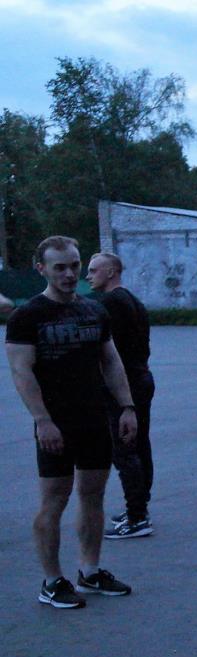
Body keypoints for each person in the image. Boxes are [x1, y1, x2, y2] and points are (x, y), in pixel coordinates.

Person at [5, 235, 138, 609]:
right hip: (55, 423)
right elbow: (22, 373)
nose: (69, 273)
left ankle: (90, 571)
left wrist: (127, 407)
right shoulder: (27, 316)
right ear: (41, 269)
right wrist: (42, 421)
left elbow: (110, 362)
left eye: (74, 265)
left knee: (93, 496)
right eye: (59, 267)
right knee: (54, 501)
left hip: (94, 419)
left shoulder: (94, 311)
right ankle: (51, 582)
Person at [85, 252, 155, 539]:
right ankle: (139, 510)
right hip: (139, 378)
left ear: (111, 271)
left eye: (93, 270)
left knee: (125, 449)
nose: (87, 276)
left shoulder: (111, 303)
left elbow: (108, 351)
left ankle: (137, 517)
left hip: (123, 383)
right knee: (138, 446)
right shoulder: (131, 299)